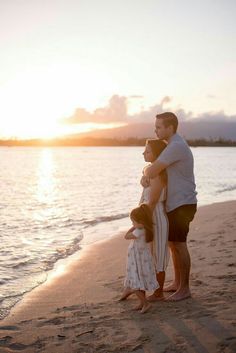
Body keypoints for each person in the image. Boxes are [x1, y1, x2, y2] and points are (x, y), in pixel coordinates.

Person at [144, 112, 197, 301]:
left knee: (179, 244)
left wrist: (145, 173)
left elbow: (152, 169)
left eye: (159, 127)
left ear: (170, 127)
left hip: (183, 203)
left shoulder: (175, 146)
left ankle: (185, 288)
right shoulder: (173, 145)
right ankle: (177, 283)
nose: (156, 130)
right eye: (155, 127)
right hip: (177, 202)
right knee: (173, 244)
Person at [140, 139, 169, 300]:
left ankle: (159, 292)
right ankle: (150, 288)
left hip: (154, 216)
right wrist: (143, 176)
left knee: (158, 253)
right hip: (149, 215)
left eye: (147, 151)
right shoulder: (150, 171)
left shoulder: (157, 174)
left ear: (156, 154)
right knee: (150, 252)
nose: (143, 153)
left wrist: (142, 221)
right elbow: (146, 172)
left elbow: (152, 201)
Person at [120, 204, 158, 313]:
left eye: (133, 222)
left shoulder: (138, 231)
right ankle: (142, 302)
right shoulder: (146, 229)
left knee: (134, 283)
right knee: (140, 282)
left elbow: (126, 236)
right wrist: (136, 224)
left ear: (141, 222)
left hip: (137, 261)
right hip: (141, 260)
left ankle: (146, 304)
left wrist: (133, 227)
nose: (132, 224)